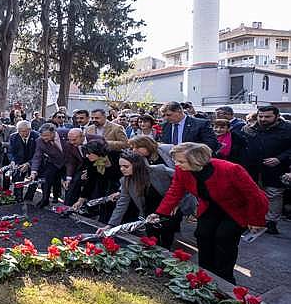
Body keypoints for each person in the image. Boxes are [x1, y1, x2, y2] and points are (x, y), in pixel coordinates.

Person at [147, 143, 268, 284]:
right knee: (202, 234)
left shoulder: (231, 169)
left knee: (224, 238)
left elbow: (254, 196)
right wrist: (160, 213)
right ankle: (205, 274)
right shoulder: (183, 170)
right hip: (210, 206)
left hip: (236, 209)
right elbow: (175, 191)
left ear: (196, 160)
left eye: (180, 161)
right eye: (175, 161)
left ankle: (225, 279)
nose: (176, 164)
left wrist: (256, 221)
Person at [98, 151, 180, 249]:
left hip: (169, 209)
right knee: (152, 241)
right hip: (148, 213)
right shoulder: (125, 181)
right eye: (120, 166)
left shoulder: (159, 170)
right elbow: (122, 204)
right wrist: (110, 225)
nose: (122, 169)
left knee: (167, 239)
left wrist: (178, 203)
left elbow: (182, 182)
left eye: (126, 166)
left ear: (136, 165)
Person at [241, 106, 291, 234]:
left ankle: (270, 222)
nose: (263, 119)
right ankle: (252, 220)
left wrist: (279, 158)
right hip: (252, 168)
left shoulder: (287, 129)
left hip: (276, 168)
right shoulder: (249, 128)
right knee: (252, 194)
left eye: (267, 117)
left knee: (273, 194)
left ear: (276, 116)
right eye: (260, 116)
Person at [72, 139, 122, 223]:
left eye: (89, 153)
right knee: (103, 202)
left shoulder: (116, 156)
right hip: (103, 184)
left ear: (98, 152)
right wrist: (81, 200)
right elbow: (90, 180)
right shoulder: (91, 161)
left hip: (120, 184)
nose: (87, 156)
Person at [62, 129, 104, 206]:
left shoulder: (98, 139)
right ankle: (69, 206)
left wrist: (90, 171)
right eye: (70, 140)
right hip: (82, 166)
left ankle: (91, 208)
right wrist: (68, 178)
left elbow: (104, 156)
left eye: (74, 140)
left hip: (99, 165)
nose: (72, 142)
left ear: (82, 136)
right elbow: (71, 162)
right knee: (74, 181)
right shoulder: (69, 144)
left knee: (96, 183)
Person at [30, 123, 66, 208]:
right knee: (46, 179)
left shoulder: (66, 133)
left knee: (67, 182)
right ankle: (45, 199)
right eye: (42, 135)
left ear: (53, 132)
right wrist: (33, 171)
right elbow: (37, 156)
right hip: (53, 162)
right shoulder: (39, 141)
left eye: (46, 135)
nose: (44, 138)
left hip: (69, 162)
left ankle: (67, 202)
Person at [7, 120, 40, 202]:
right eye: (20, 131)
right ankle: (18, 198)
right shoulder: (13, 137)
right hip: (19, 161)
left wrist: (29, 164)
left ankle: (29, 198)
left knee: (33, 179)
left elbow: (38, 153)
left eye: (24, 131)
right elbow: (10, 151)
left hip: (33, 161)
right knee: (17, 178)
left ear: (29, 130)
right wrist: (12, 161)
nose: (22, 133)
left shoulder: (37, 137)